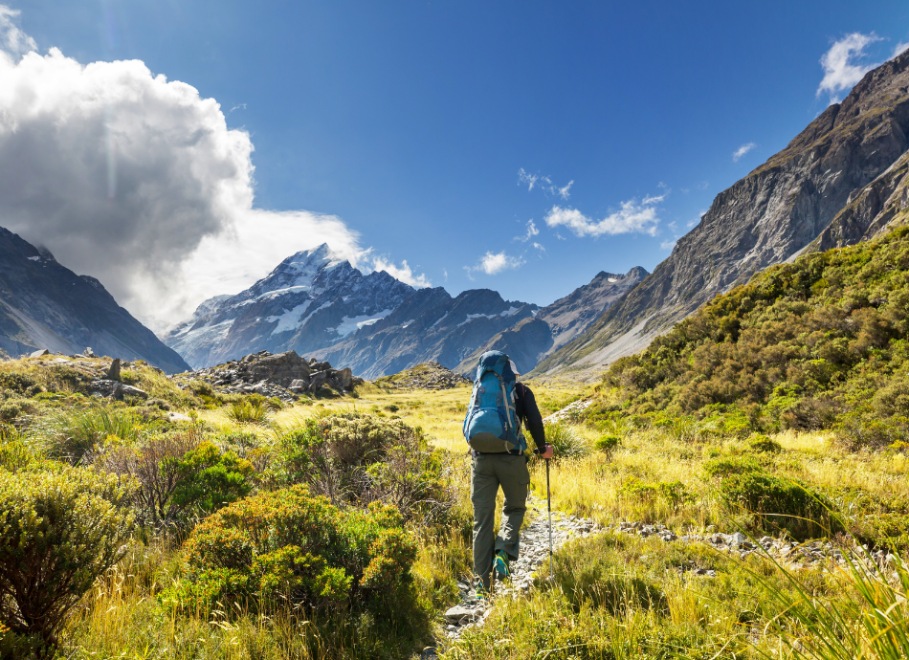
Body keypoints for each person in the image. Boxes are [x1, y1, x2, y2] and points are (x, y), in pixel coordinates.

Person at [470, 356, 553, 594]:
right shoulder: (522, 391)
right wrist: (541, 448)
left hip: (481, 460)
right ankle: (503, 552)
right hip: (511, 457)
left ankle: (482, 586)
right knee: (515, 508)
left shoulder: (479, 391)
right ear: (512, 374)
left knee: (482, 521)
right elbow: (535, 422)